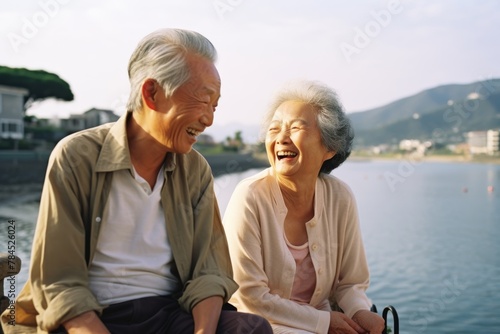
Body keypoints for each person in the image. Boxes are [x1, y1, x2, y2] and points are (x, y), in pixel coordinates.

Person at [1, 28, 272, 334]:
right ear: (152, 93)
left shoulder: (195, 169)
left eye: (215, 106)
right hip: (90, 317)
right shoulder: (76, 157)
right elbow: (58, 282)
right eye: (203, 100)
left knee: (251, 329)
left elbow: (209, 270)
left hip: (168, 315)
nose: (209, 119)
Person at [222, 80, 385, 334]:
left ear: (329, 147)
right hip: (259, 325)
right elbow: (249, 296)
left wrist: (360, 312)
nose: (281, 139)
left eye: (296, 128)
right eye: (274, 129)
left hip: (322, 322)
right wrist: (324, 323)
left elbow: (351, 283)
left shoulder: (340, 197)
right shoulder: (250, 196)